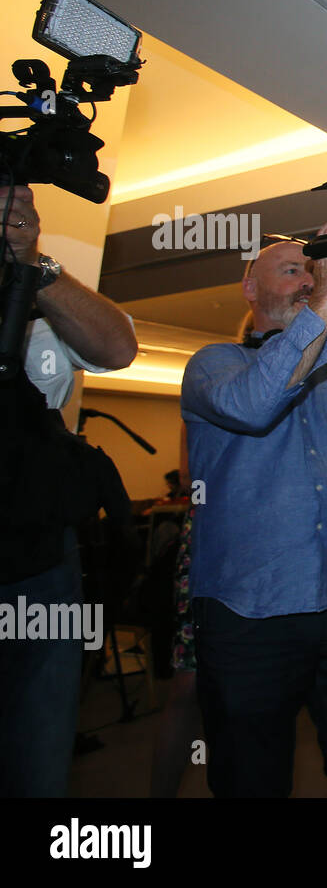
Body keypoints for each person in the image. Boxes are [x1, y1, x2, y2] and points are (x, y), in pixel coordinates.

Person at [181, 228, 327, 797]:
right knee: (251, 779)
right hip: (250, 614)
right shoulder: (212, 366)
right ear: (249, 286)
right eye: (292, 270)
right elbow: (257, 405)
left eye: (313, 273)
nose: (308, 281)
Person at [1, 185, 137, 798]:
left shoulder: (37, 284)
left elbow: (118, 346)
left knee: (38, 749)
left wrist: (30, 261)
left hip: (39, 548)